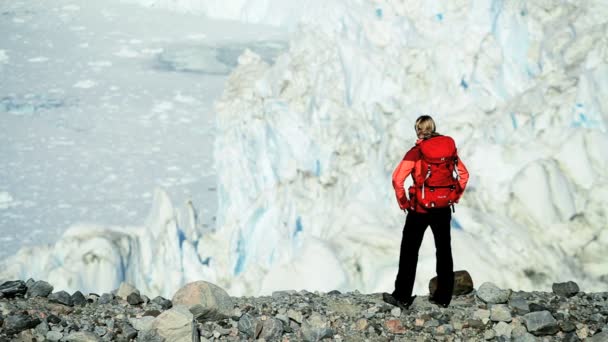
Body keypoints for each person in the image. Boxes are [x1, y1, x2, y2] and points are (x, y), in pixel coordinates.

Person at [383, 115, 469, 309]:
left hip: (419, 209)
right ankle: (443, 297)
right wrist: (453, 197)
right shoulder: (448, 150)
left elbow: (398, 179)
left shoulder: (416, 152)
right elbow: (464, 175)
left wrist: (404, 202)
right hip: (443, 208)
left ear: (417, 131)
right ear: (433, 128)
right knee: (444, 250)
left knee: (409, 251)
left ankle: (402, 296)